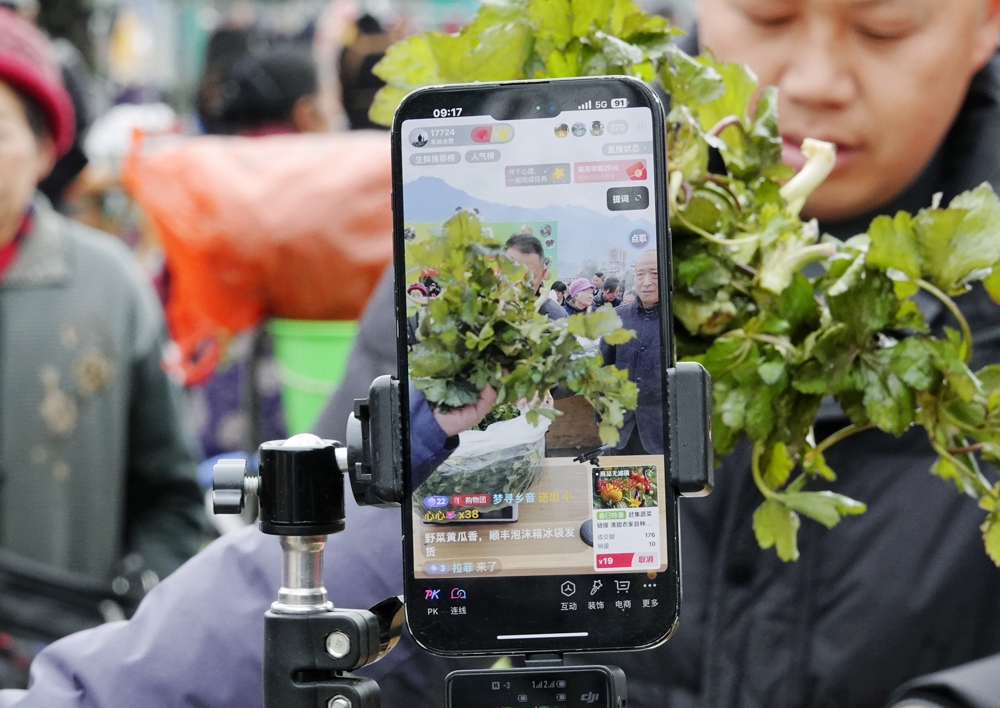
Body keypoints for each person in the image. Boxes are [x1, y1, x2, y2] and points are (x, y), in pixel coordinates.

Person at [5, 0, 1000, 705]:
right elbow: (345, 551)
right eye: (769, 16)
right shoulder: (542, 193)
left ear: (986, 20)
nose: (816, 80)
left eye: (886, 26)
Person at [0, 7, 207, 684]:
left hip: (62, 672)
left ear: (44, 148)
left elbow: (172, 499)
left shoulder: (108, 288)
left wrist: (133, 619)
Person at [598, 252, 662, 455]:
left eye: (655, 274)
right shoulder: (616, 318)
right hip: (622, 429)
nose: (646, 282)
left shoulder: (676, 320)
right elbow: (603, 369)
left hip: (663, 431)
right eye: (640, 274)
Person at [503, 233, 566, 320]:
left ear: (542, 275)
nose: (519, 285)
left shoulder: (557, 318)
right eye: (512, 274)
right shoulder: (484, 312)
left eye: (529, 278)